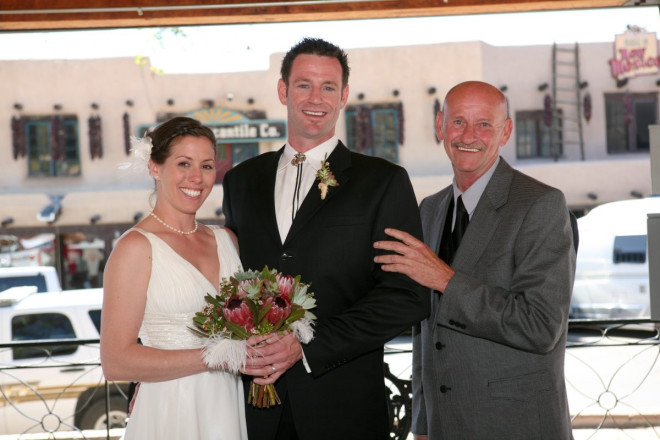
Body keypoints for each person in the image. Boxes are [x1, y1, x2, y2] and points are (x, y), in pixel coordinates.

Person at [222, 37, 429, 440]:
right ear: (283, 90)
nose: (315, 98)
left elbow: (406, 295)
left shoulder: (383, 182)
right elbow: (227, 279)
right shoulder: (241, 181)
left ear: (344, 95)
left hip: (344, 408)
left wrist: (307, 345)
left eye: (328, 87)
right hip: (253, 413)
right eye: (303, 84)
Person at [374, 81, 576, 440]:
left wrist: (446, 281)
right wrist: (422, 421)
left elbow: (541, 326)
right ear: (440, 126)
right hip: (442, 426)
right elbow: (426, 330)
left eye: (484, 124)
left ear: (506, 131)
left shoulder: (541, 204)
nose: (469, 135)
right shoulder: (430, 209)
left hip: (517, 425)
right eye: (458, 122)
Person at [100, 116, 247, 439]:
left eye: (207, 166)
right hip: (171, 409)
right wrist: (215, 357)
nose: (197, 177)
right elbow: (116, 362)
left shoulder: (226, 240)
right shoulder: (135, 248)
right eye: (184, 163)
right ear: (155, 167)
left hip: (227, 406)